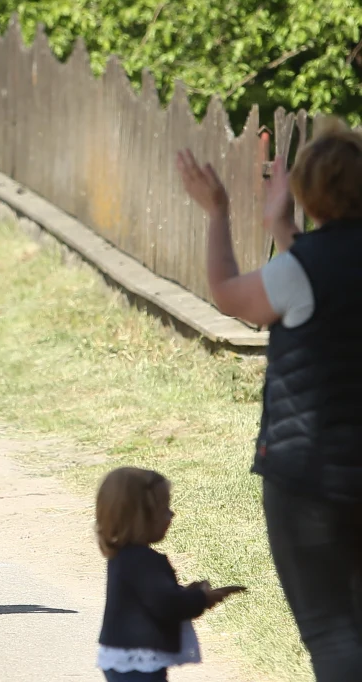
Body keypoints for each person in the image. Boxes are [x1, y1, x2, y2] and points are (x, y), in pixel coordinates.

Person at [177, 119, 362, 681]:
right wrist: (281, 226)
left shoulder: (302, 269)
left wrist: (218, 215)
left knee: (333, 634)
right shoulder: (311, 263)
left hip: (307, 478)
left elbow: (230, 292)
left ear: (310, 192)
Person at [95, 467, 244, 681]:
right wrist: (203, 597)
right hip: (139, 660)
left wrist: (187, 593)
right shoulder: (143, 561)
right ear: (141, 517)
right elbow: (166, 604)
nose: (171, 514)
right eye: (164, 509)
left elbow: (152, 597)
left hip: (123, 656)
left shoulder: (123, 557)